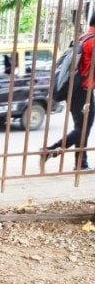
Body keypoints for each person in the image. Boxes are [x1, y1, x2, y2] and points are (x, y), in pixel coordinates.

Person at [44, 13, 95, 171]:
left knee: (81, 126)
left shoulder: (83, 37)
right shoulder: (93, 41)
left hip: (74, 89)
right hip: (83, 90)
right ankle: (51, 150)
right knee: (83, 128)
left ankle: (81, 163)